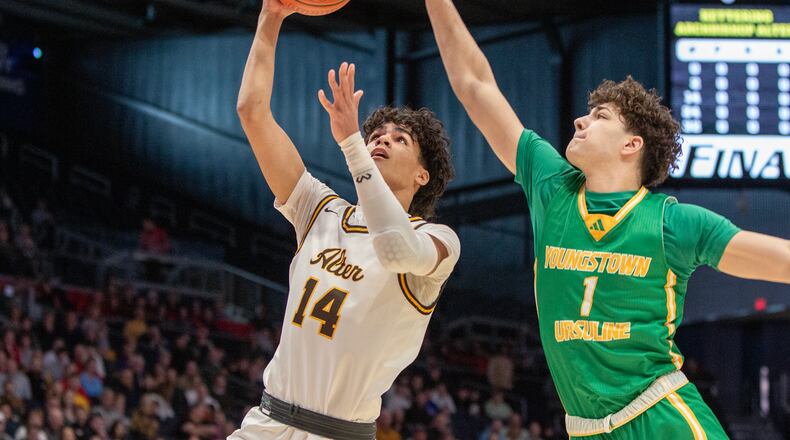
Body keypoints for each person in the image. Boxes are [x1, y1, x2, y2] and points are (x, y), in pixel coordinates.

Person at [425, 0, 790, 438]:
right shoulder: (551, 187)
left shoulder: (673, 223)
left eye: (600, 116)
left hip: (662, 419)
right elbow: (473, 83)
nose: (580, 119)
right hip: (586, 428)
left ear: (631, 145)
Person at [230, 1, 460, 439]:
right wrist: (270, 17)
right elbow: (251, 113)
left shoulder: (436, 239)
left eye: (400, 139)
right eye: (376, 135)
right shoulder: (320, 209)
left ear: (422, 174)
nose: (381, 141)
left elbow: (393, 249)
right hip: (267, 422)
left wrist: (354, 145)